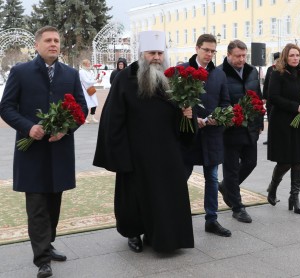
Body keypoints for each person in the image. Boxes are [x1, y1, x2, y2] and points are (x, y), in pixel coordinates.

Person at [93, 30, 194, 253]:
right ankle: (133, 234)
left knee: (166, 197)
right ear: (141, 54)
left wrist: (188, 115)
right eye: (151, 53)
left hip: (167, 150)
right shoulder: (125, 79)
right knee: (135, 199)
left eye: (160, 52)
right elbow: (113, 120)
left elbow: (179, 112)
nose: (156, 57)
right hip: (136, 153)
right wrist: (120, 156)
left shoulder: (171, 79)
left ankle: (163, 237)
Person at [0, 26, 88, 278]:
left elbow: (81, 108)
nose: (53, 44)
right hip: (32, 152)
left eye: (57, 40)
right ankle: (42, 259)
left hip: (59, 148)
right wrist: (29, 127)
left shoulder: (70, 74)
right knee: (37, 204)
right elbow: (6, 107)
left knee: (54, 202)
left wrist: (66, 129)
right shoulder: (20, 72)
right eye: (48, 40)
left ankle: (47, 244)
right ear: (37, 45)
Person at [181, 34, 232, 237]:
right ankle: (177, 218)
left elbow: (226, 102)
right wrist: (193, 118)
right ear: (197, 48)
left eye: (213, 51)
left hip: (211, 134)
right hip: (187, 134)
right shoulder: (183, 71)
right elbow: (174, 101)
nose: (209, 54)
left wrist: (215, 117)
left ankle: (211, 220)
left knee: (211, 178)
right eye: (206, 50)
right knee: (180, 177)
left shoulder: (219, 75)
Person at [217, 39, 264, 224]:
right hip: (230, 128)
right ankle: (237, 207)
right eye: (238, 56)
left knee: (251, 162)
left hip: (250, 126)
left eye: (244, 56)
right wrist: (227, 116)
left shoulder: (252, 71)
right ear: (229, 55)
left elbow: (258, 97)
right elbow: (217, 99)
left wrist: (260, 121)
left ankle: (225, 187)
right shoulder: (219, 72)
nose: (242, 59)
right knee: (231, 168)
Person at [266, 43, 300, 214]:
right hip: (282, 122)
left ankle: (294, 197)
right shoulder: (277, 73)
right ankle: (273, 187)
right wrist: (296, 107)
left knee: (299, 160)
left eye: (297, 56)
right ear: (285, 57)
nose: (295, 58)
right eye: (292, 56)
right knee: (286, 160)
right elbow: (273, 97)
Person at [262, 52, 280, 145]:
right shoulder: (270, 69)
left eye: (279, 60)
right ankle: (270, 138)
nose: (277, 62)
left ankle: (278, 138)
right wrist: (264, 97)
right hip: (270, 100)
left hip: (279, 100)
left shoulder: (283, 69)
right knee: (270, 119)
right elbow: (266, 84)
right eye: (276, 60)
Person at [79, 59, 100, 123]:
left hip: (91, 89)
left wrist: (96, 78)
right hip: (85, 90)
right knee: (86, 104)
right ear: (84, 64)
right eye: (88, 63)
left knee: (94, 103)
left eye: (89, 63)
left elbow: (92, 79)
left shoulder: (90, 71)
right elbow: (86, 81)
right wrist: (96, 81)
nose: (89, 64)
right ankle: (83, 118)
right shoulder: (81, 72)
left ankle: (92, 117)